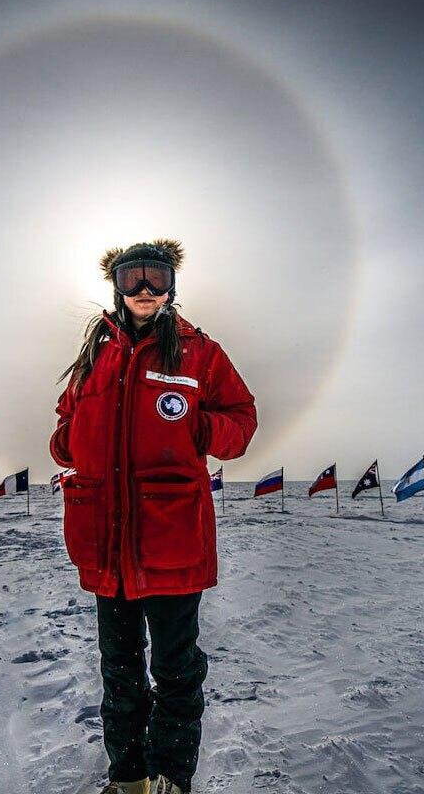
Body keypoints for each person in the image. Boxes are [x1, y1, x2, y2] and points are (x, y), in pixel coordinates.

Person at [49, 238, 259, 794]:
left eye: (156, 278)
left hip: (171, 543)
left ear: (172, 286)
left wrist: (201, 429)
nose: (145, 289)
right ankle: (129, 776)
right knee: (118, 671)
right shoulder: (96, 354)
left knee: (175, 670)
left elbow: (242, 418)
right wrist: (66, 440)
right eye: (132, 278)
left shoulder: (200, 353)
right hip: (106, 543)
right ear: (115, 286)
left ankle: (171, 773)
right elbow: (66, 419)